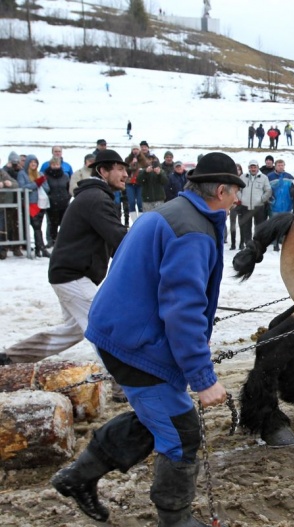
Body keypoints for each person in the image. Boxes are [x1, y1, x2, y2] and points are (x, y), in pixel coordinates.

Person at [50, 152, 242, 526]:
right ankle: (176, 520)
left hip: (123, 331)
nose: (238, 200)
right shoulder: (192, 232)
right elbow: (182, 311)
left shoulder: (173, 212)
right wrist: (204, 379)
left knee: (158, 417)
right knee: (182, 433)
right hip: (134, 343)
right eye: (236, 191)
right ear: (221, 190)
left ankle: (78, 478)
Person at [0, 149, 128, 365]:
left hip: (69, 273)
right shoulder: (97, 199)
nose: (126, 174)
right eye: (120, 169)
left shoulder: (96, 196)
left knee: (73, 331)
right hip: (72, 276)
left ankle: (11, 357)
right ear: (103, 171)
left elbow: (115, 241)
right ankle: (122, 386)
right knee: (102, 327)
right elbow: (120, 237)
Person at [17, 154, 50, 257]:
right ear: (27, 163)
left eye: (35, 163)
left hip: (41, 203)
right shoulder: (22, 174)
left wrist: (41, 182)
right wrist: (36, 184)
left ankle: (38, 249)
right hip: (30, 203)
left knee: (38, 226)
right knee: (36, 226)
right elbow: (22, 187)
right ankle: (42, 248)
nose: (33, 164)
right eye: (31, 162)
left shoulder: (40, 173)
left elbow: (47, 188)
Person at [237, 159, 272, 250]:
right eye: (251, 167)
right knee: (247, 227)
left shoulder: (264, 177)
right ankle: (248, 244)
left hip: (259, 207)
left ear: (258, 168)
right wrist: (241, 198)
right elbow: (237, 189)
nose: (253, 169)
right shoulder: (243, 177)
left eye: (255, 167)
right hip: (245, 206)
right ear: (249, 168)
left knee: (259, 226)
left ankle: (258, 244)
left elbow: (268, 190)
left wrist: (262, 199)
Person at [43, 157, 71, 247]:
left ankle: (63, 241)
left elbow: (69, 188)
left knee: (64, 223)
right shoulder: (46, 176)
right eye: (53, 164)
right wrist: (50, 198)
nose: (55, 166)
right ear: (50, 165)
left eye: (57, 164)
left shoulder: (65, 176)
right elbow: (45, 189)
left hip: (64, 203)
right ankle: (52, 241)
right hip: (51, 204)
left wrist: (67, 197)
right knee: (52, 224)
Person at [269, 159, 294, 250]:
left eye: (282, 165)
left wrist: (292, 199)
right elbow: (267, 190)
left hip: (287, 205)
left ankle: (283, 240)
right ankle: (274, 241)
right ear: (275, 166)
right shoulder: (270, 177)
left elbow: (293, 189)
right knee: (275, 224)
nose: (280, 167)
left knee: (286, 224)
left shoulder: (289, 177)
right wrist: (271, 199)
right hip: (275, 205)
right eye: (279, 165)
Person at [0, 166, 20, 261]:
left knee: (2, 228)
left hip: (2, 207)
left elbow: (16, 184)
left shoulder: (2, 173)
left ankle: (2, 250)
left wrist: (9, 183)